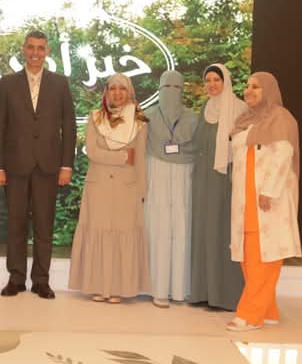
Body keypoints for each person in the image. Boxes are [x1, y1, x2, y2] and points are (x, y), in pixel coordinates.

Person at [0, 30, 76, 299]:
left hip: (48, 166)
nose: (35, 52)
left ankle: (41, 280)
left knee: (44, 225)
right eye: (31, 47)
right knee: (15, 225)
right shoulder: (7, 83)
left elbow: (69, 126)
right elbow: (0, 126)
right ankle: (16, 278)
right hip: (15, 165)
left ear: (47, 51)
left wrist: (66, 165)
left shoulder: (60, 83)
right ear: (24, 49)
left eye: (41, 48)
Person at [226, 72, 301, 331]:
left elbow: (283, 156)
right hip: (246, 203)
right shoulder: (245, 121)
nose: (249, 90)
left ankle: (250, 315)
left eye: (256, 87)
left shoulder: (281, 118)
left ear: (268, 90)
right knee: (250, 259)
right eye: (247, 86)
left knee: (265, 259)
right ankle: (268, 310)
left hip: (269, 201)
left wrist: (269, 190)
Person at [68, 74, 149, 303]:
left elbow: (140, 157)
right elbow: (93, 152)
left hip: (127, 187)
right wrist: (123, 156)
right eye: (113, 88)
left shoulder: (140, 120)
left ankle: (119, 289)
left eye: (122, 89)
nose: (117, 93)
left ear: (129, 91)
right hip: (99, 186)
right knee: (98, 230)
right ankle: (97, 286)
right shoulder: (96, 118)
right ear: (106, 92)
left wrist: (142, 189)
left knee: (122, 232)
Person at [189, 64, 248, 311]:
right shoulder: (205, 108)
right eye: (208, 80)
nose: (212, 85)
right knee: (204, 230)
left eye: (217, 80)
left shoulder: (239, 109)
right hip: (203, 178)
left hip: (225, 180)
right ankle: (203, 292)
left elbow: (245, 146)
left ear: (226, 81)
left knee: (222, 231)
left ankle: (226, 295)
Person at [145, 70, 198, 308]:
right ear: (159, 89)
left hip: (183, 179)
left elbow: (198, 149)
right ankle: (157, 288)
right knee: (158, 230)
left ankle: (179, 289)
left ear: (182, 90)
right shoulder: (147, 117)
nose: (171, 92)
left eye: (176, 88)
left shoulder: (193, 119)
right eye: (167, 87)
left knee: (181, 231)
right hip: (156, 178)